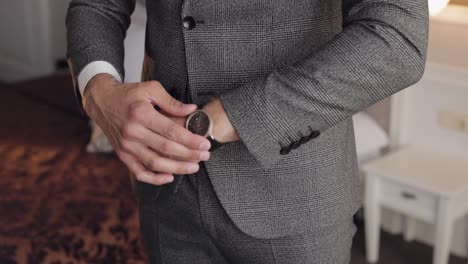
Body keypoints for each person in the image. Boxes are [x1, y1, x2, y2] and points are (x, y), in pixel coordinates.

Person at [66, 0, 428, 263]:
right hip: (165, 192)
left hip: (295, 199)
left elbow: (397, 38)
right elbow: (95, 5)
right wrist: (98, 90)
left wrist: (231, 117)